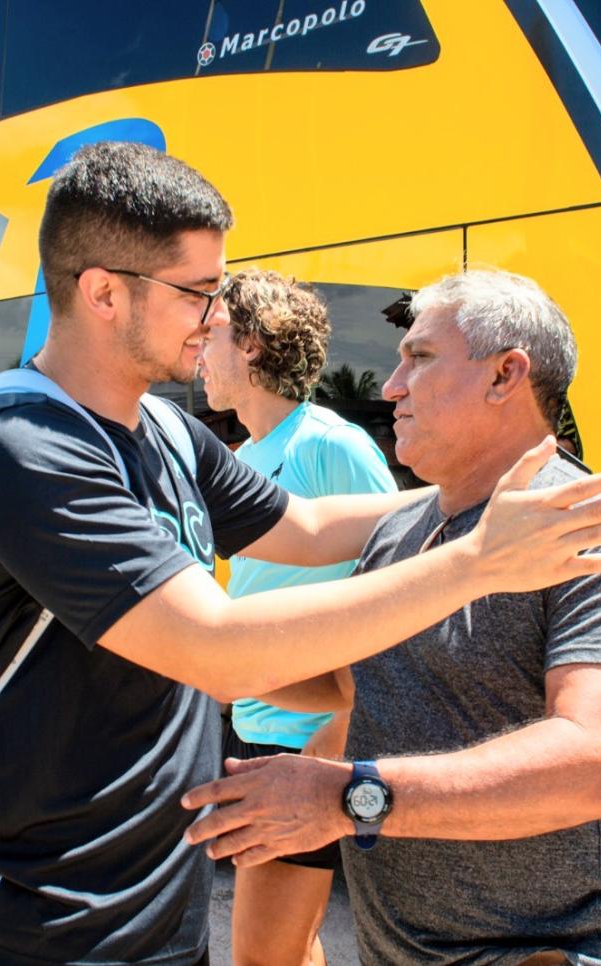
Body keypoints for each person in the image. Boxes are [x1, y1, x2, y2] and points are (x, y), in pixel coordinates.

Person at [0, 143, 601, 965]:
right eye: (198, 292)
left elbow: (304, 528)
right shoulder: (27, 445)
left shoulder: (166, 432)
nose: (215, 316)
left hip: (155, 895)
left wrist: (483, 494)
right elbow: (218, 651)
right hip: (38, 904)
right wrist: (480, 554)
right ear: (102, 291)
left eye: (418, 358)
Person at [184, 269, 601, 966]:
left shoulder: (585, 530)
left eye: (418, 358)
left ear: (506, 375)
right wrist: (204, 659)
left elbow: (599, 764)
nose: (390, 385)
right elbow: (348, 688)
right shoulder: (403, 529)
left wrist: (345, 797)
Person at [200, 269, 397, 965]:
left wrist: (339, 735)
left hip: (309, 743)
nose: (199, 343)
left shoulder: (327, 445)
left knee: (261, 957)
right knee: (287, 948)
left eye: (214, 330)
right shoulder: (245, 457)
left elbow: (401, 584)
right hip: (260, 730)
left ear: (251, 345)